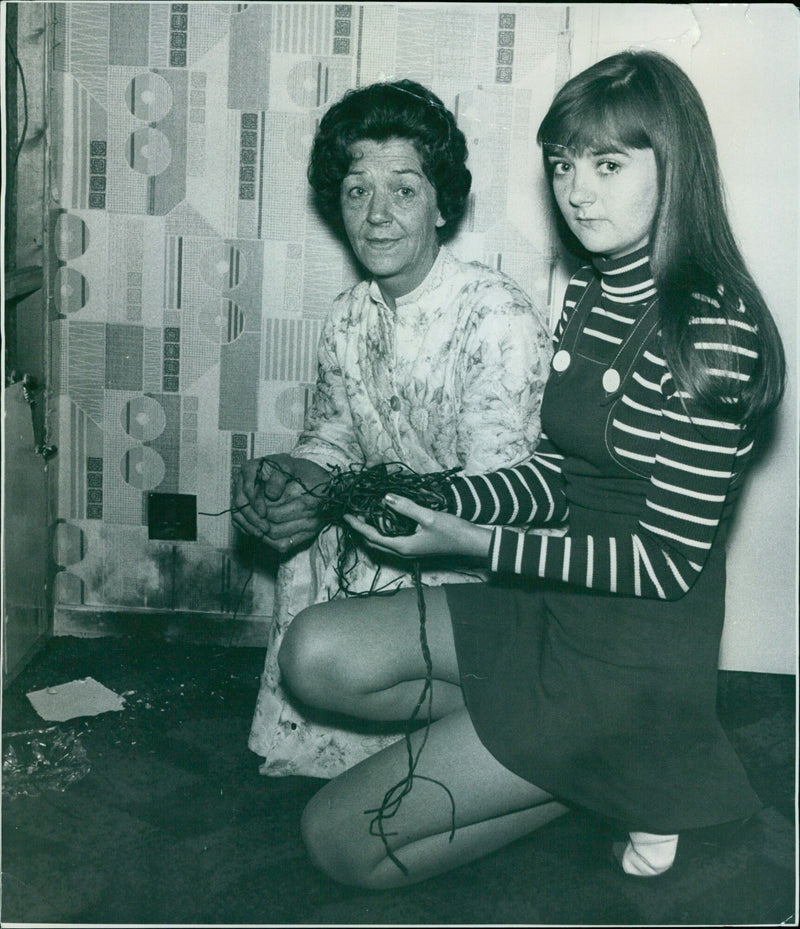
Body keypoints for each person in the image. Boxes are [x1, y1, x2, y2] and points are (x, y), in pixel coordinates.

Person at [275, 50, 786, 888]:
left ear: (676, 164)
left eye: (609, 164)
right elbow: (556, 474)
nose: (577, 190)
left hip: (629, 667)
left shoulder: (709, 330)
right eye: (563, 165)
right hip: (553, 609)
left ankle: (634, 767)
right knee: (316, 652)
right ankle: (581, 766)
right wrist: (435, 496)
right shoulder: (589, 289)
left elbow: (665, 563)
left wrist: (478, 544)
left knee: (337, 839)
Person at [232, 79, 553, 779]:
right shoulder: (349, 315)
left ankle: (530, 715)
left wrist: (344, 495)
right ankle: (460, 726)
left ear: (443, 205)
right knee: (305, 528)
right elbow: (335, 437)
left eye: (403, 190)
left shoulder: (492, 313)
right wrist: (289, 478)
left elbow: (501, 496)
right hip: (393, 535)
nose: (376, 215)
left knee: (332, 569)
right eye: (356, 192)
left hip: (487, 566)